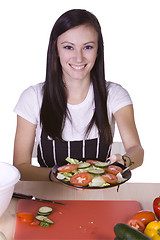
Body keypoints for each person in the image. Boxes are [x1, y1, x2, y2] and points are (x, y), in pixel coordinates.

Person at [13, 9, 144, 181]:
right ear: (56, 50)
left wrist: (124, 160)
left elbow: (137, 150)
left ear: (98, 51)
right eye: (68, 47)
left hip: (98, 199)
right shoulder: (33, 97)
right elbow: (20, 167)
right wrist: (65, 177)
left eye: (88, 47)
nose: (78, 57)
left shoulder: (114, 94)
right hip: (48, 200)